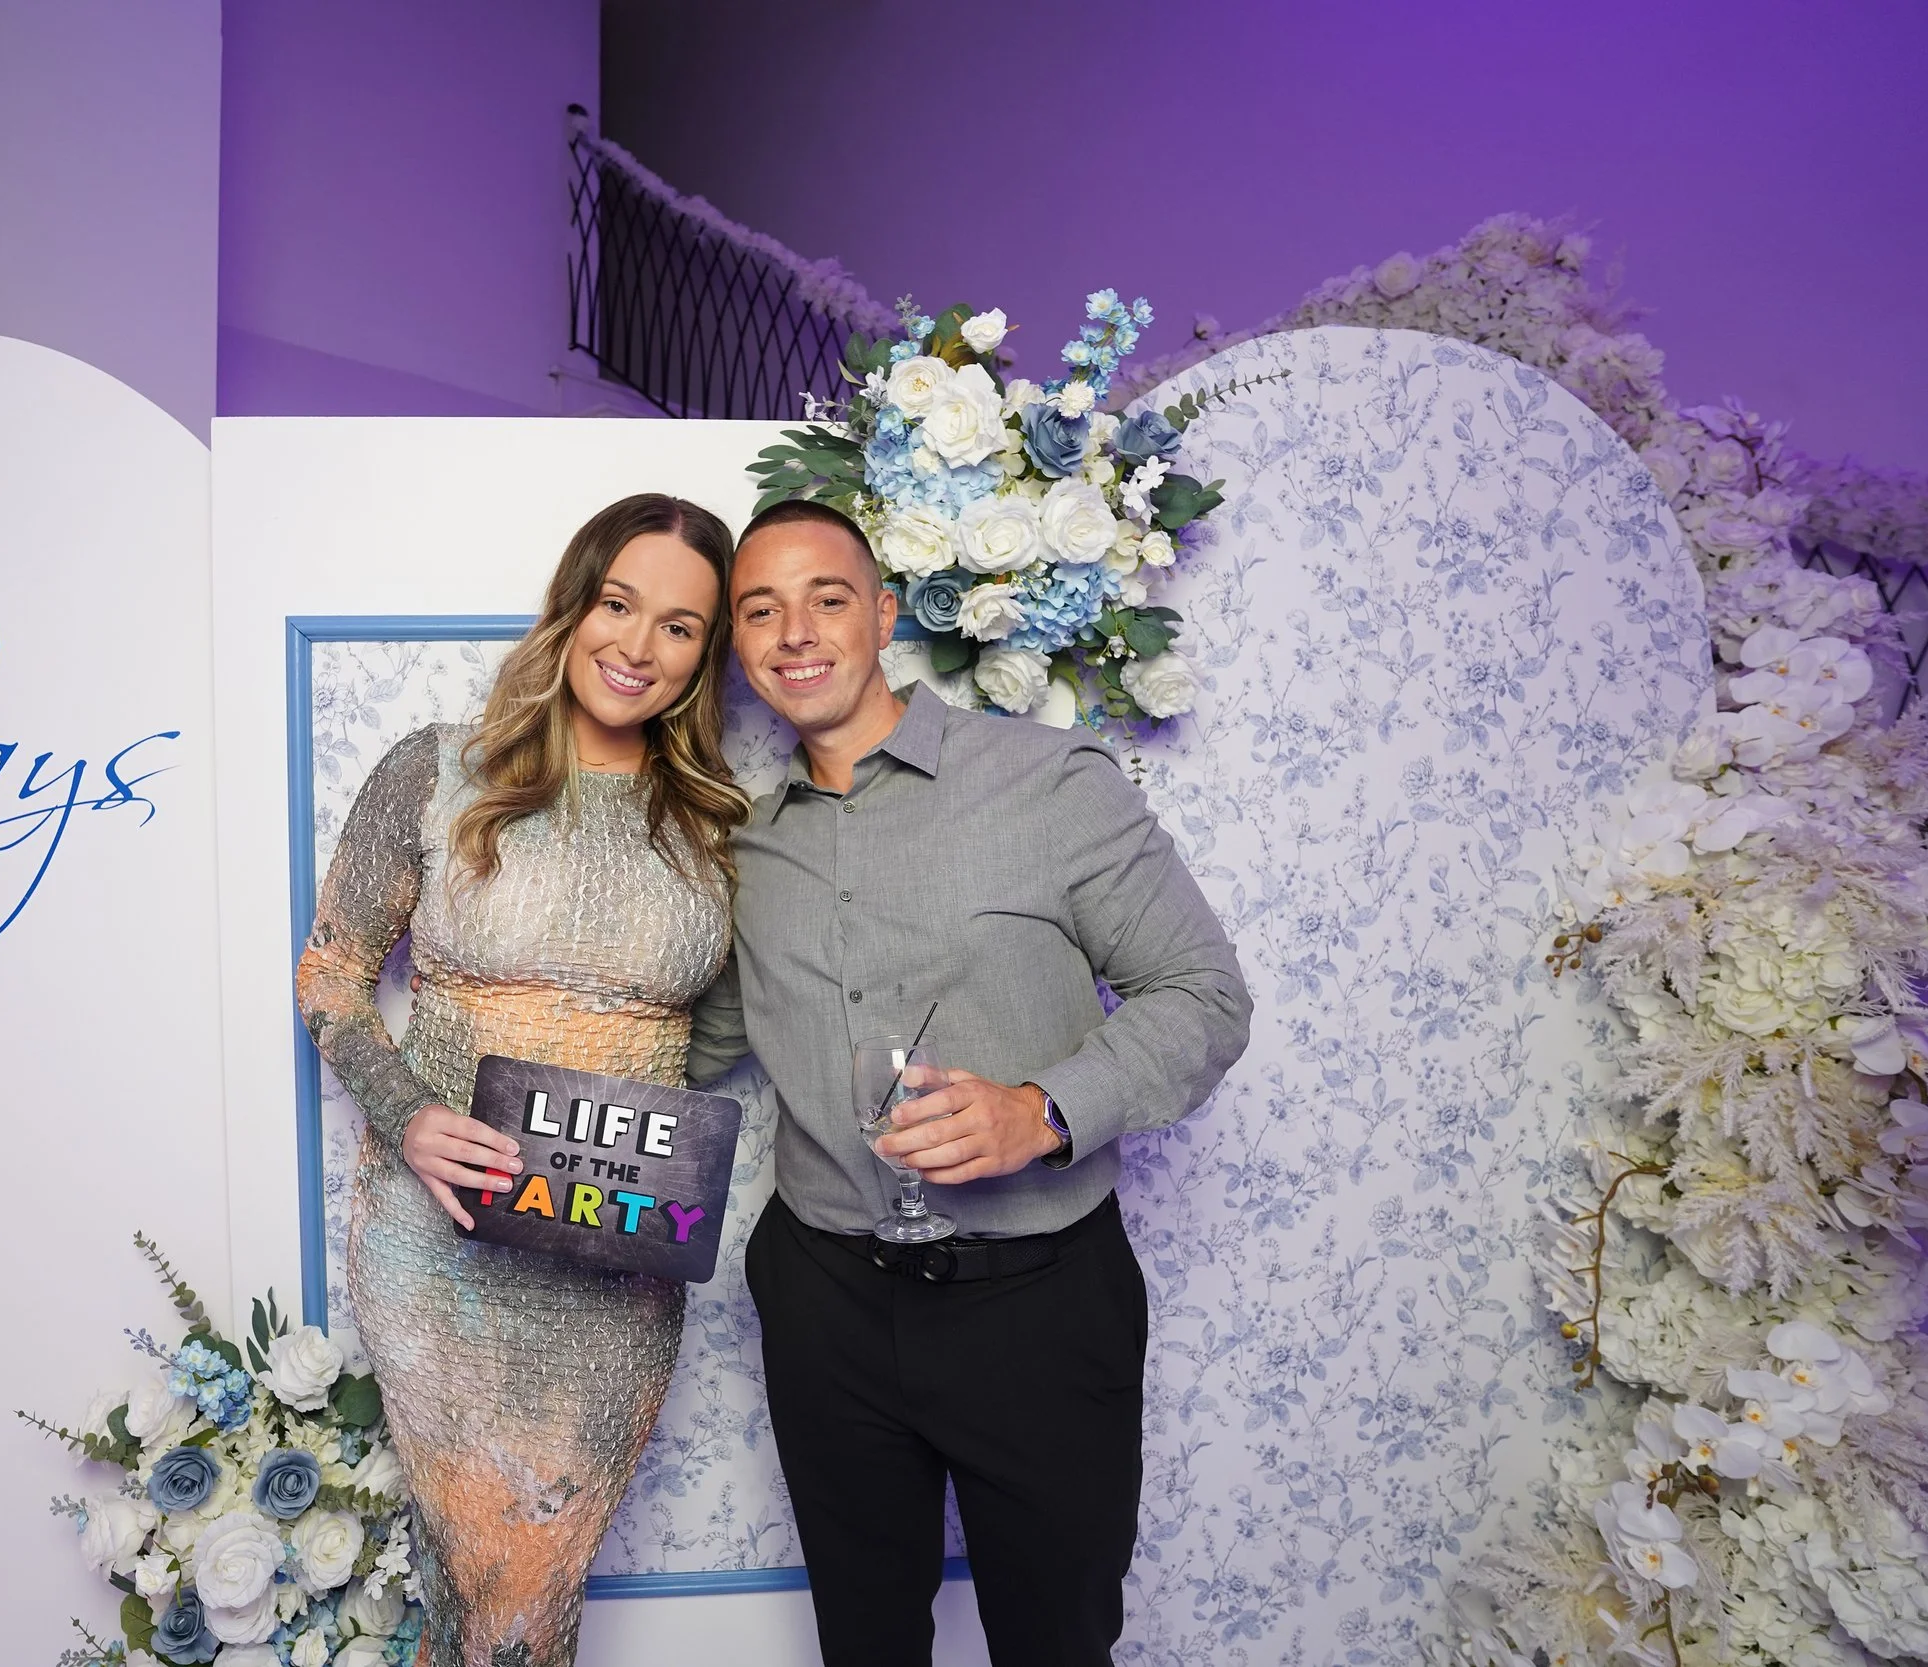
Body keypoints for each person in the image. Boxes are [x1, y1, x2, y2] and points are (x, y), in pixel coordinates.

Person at [689, 498, 1253, 1665]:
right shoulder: (740, 844)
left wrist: (1039, 1111)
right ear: (737, 645)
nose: (795, 631)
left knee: (1055, 1642)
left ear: (884, 614)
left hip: (1039, 1304)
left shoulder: (1047, 782)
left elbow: (1201, 995)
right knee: (865, 1643)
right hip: (822, 1301)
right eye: (760, 608)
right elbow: (691, 1048)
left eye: (826, 598)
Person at [295, 493, 748, 1667]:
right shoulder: (439, 770)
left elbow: (733, 1022)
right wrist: (410, 1119)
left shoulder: (718, 820)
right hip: (442, 1238)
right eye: (618, 604)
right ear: (574, 602)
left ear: (706, 655)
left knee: (537, 1571)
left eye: (681, 627)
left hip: (615, 1253)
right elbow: (333, 976)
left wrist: (646, 1124)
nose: (638, 648)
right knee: (485, 1568)